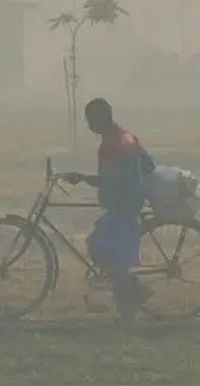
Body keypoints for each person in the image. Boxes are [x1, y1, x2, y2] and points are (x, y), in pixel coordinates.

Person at [62, 98, 155, 320]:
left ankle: (134, 294)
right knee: (103, 249)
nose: (89, 126)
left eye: (90, 120)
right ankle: (128, 303)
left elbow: (110, 179)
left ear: (101, 118)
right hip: (129, 201)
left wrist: (83, 178)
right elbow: (148, 164)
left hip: (123, 204)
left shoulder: (112, 143)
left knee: (105, 251)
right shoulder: (126, 137)